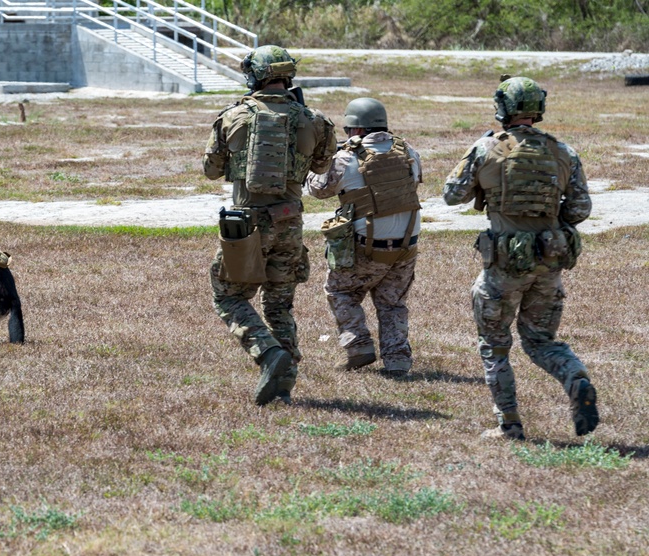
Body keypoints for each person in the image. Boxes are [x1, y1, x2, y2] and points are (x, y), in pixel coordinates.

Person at [442, 76, 598, 440]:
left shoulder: (487, 149)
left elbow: (452, 195)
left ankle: (509, 424)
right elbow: (579, 210)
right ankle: (574, 376)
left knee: (495, 344)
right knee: (541, 341)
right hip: (548, 262)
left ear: (504, 108)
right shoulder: (563, 152)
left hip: (503, 267)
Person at [204, 45, 337, 406]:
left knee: (228, 294)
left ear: (255, 75)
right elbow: (323, 168)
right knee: (280, 305)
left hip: (248, 224)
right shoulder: (315, 119)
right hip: (290, 221)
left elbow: (211, 169)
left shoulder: (234, 116)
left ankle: (267, 353)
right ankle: (283, 386)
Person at [306, 98, 423, 377]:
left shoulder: (346, 157)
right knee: (392, 301)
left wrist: (315, 162)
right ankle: (397, 359)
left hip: (366, 247)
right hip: (407, 246)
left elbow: (317, 189)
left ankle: (358, 346)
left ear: (355, 130)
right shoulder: (409, 151)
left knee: (341, 291)